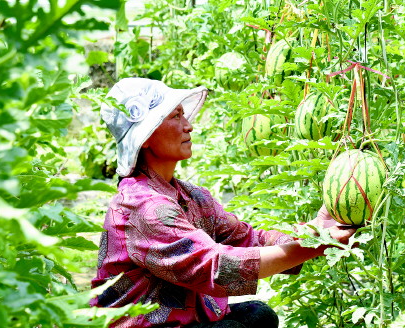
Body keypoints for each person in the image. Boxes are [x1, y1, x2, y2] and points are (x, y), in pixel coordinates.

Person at [91, 78, 356, 328]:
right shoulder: (141, 207)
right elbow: (217, 269)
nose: (188, 126)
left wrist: (315, 231)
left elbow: (247, 239)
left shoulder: (192, 196)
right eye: (175, 116)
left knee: (260, 317)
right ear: (145, 137)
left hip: (182, 320)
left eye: (184, 114)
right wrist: (314, 246)